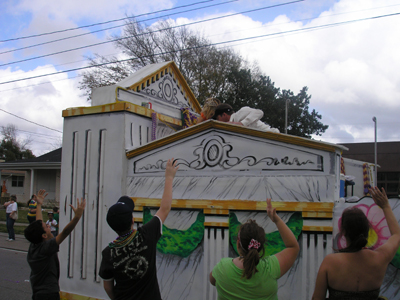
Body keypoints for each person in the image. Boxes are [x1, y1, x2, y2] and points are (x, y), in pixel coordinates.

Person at [99, 158, 179, 300]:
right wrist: (169, 177)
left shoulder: (108, 253)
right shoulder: (146, 235)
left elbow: (107, 286)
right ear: (132, 220)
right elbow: (165, 209)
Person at [312, 187, 400, 300]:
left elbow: (317, 298)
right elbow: (396, 236)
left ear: (343, 232)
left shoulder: (331, 262)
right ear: (368, 231)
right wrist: (386, 206)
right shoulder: (379, 258)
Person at [210, 198, 299, 300]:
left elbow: (212, 280)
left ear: (238, 243)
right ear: (260, 247)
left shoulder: (222, 268)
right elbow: (293, 247)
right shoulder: (271, 268)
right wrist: (276, 220)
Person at [24, 189, 86, 300]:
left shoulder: (34, 245)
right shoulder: (46, 248)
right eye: (46, 227)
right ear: (44, 235)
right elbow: (65, 232)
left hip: (38, 293)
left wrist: (39, 205)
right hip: (48, 294)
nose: (48, 226)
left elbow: (39, 222)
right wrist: (77, 216)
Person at [212, 103, 280, 133]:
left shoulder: (241, 112)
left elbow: (259, 112)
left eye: (217, 119)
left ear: (224, 115)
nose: (218, 121)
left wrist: (242, 124)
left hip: (272, 137)